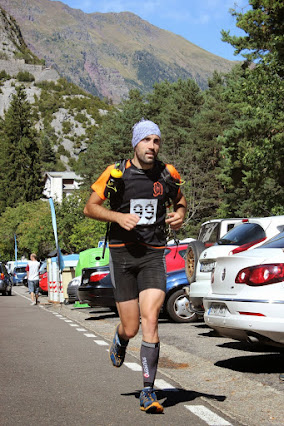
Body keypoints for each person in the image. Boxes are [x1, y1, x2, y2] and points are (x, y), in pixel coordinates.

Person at [84, 119, 187, 413]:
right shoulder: (116, 173)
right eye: (147, 140)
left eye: (156, 141)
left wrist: (179, 214)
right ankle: (120, 337)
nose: (152, 146)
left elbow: (180, 202)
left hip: (153, 254)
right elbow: (90, 207)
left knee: (151, 320)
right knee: (131, 326)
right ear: (136, 144)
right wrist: (118, 218)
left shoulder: (168, 174)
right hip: (122, 255)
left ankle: (147, 391)